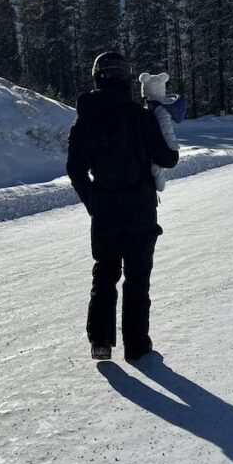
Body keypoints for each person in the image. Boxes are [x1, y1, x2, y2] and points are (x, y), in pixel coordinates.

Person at [66, 51, 179, 362]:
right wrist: (160, 117)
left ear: (98, 77)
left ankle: (100, 341)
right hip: (140, 208)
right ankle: (137, 346)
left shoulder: (84, 120)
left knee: (105, 273)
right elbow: (168, 158)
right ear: (126, 78)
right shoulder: (139, 116)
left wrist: (93, 201)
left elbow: (75, 169)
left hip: (104, 208)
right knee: (137, 276)